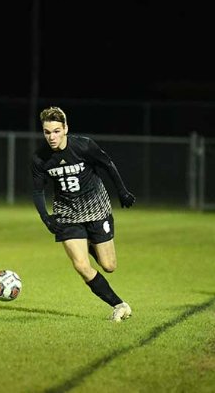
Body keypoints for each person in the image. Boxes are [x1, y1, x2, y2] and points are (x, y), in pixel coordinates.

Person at [31, 106, 136, 322]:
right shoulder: (40, 157)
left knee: (109, 266)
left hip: (96, 207)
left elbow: (107, 164)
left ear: (66, 129)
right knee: (80, 265)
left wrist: (122, 191)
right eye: (47, 132)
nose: (52, 137)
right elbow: (37, 190)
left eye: (57, 131)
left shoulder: (84, 145)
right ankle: (119, 305)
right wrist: (46, 218)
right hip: (67, 212)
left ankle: (87, 242)